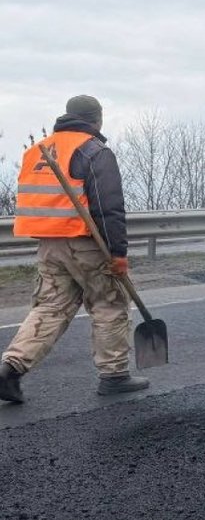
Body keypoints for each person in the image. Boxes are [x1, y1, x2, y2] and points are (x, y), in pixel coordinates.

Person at [0, 96, 148, 403]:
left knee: (49, 308)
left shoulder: (37, 150)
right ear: (97, 119)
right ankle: (114, 375)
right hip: (85, 243)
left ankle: (9, 369)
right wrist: (118, 253)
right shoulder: (94, 150)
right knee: (109, 303)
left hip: (49, 245)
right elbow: (109, 208)